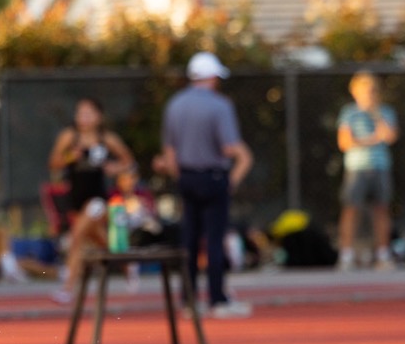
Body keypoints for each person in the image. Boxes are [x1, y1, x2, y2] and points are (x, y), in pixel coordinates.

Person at [156, 52, 255, 319]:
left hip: (187, 177)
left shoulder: (175, 104)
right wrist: (236, 168)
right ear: (211, 77)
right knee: (214, 239)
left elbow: (169, 150)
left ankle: (188, 300)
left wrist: (179, 175)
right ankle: (217, 298)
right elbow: (228, 146)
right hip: (213, 176)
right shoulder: (219, 105)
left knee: (189, 238)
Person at [48, 97, 137, 305]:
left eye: (88, 113)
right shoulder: (69, 137)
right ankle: (127, 262)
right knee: (99, 239)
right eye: (80, 113)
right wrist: (70, 157)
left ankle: (68, 288)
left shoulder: (107, 139)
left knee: (77, 236)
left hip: (98, 199)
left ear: (98, 117)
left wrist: (115, 168)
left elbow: (128, 161)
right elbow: (53, 163)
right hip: (76, 198)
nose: (84, 118)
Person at [336, 71, 399, 270]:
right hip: (356, 168)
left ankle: (383, 255)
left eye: (371, 90)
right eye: (363, 90)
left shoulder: (385, 112)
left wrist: (375, 115)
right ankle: (346, 257)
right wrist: (372, 139)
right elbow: (345, 142)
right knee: (351, 210)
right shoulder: (349, 113)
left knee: (381, 210)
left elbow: (390, 136)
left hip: (380, 167)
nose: (368, 94)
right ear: (355, 92)